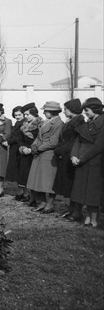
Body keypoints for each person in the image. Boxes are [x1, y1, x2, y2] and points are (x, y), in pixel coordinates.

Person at [70, 97, 104, 228]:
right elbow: (77, 141)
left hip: (95, 161)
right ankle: (88, 217)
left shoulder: (102, 123)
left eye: (87, 110)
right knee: (82, 190)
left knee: (92, 192)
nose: (85, 113)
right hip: (81, 161)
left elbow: (99, 146)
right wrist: (73, 156)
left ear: (96, 109)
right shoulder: (86, 124)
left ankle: (94, 219)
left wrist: (81, 158)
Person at [26, 101, 64, 213]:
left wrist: (38, 148)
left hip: (49, 154)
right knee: (38, 180)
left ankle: (50, 204)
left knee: (49, 181)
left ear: (52, 112)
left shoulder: (59, 123)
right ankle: (42, 201)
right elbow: (39, 136)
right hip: (39, 153)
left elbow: (53, 142)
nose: (44, 112)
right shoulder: (46, 122)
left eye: (46, 111)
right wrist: (33, 145)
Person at [54, 99, 84, 221]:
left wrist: (61, 151)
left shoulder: (78, 122)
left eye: (66, 109)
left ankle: (77, 212)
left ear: (72, 109)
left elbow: (74, 141)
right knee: (69, 184)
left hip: (72, 156)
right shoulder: (71, 121)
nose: (64, 111)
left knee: (74, 184)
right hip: (66, 155)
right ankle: (71, 209)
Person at [17, 103, 41, 205]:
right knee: (25, 174)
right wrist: (22, 147)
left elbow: (41, 139)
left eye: (27, 115)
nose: (25, 117)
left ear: (34, 114)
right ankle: (27, 194)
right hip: (25, 152)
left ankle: (35, 198)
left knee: (35, 175)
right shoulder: (24, 126)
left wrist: (32, 149)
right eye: (25, 115)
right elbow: (20, 139)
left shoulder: (41, 124)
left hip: (36, 152)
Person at [4, 106, 24, 200]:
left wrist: (8, 142)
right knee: (16, 170)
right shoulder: (17, 122)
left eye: (19, 114)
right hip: (14, 148)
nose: (17, 116)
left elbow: (19, 137)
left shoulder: (24, 123)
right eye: (15, 115)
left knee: (21, 170)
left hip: (19, 148)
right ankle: (20, 191)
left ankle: (24, 192)